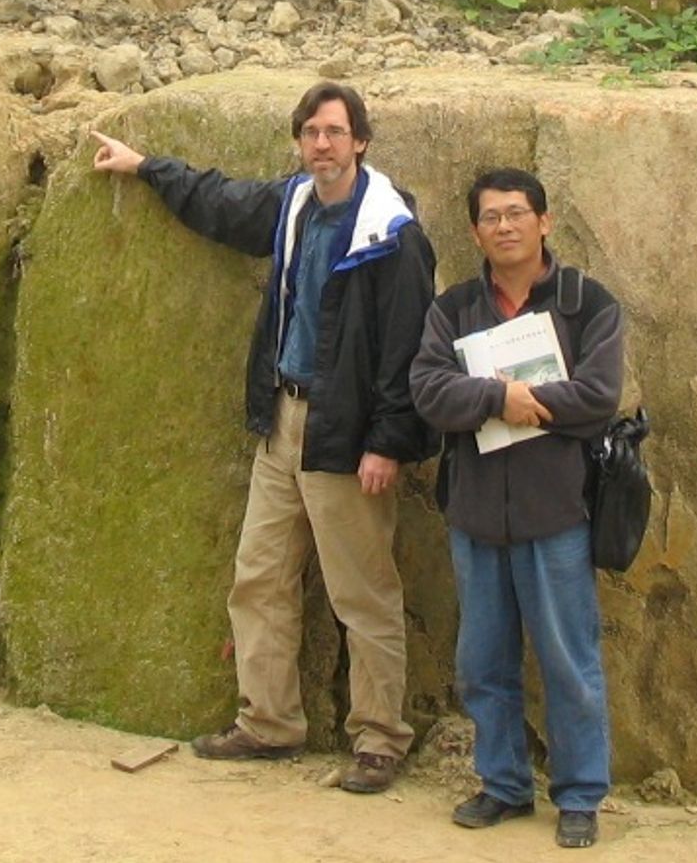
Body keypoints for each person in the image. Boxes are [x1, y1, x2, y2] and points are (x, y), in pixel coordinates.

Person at [89, 81, 436, 795]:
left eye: (335, 132)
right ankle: (269, 721)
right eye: (310, 132)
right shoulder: (295, 207)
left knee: (363, 591)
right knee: (259, 577)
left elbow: (409, 348)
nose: (322, 144)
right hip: (283, 419)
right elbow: (221, 202)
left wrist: (388, 442)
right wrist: (146, 165)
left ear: (361, 141)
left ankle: (379, 738)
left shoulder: (392, 235)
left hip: (346, 435)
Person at [410, 167, 623, 849]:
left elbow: (598, 396)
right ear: (474, 231)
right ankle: (502, 785)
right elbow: (429, 391)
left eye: (516, 213)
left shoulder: (587, 302)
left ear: (544, 221)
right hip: (475, 513)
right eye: (491, 217)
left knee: (569, 660)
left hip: (555, 511)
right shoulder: (454, 306)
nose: (505, 226)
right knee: (483, 662)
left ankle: (581, 795)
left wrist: (529, 402)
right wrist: (495, 400)